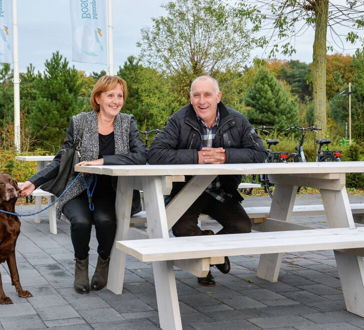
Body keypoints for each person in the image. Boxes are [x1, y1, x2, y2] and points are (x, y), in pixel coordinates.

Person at [20, 76, 146, 294]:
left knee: (106, 220)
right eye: (110, 95)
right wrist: (34, 181)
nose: (116, 101)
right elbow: (62, 159)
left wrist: (103, 161)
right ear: (98, 98)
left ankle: (103, 262)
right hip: (78, 188)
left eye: (120, 96)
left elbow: (141, 155)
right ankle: (81, 266)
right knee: (80, 222)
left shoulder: (127, 122)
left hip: (113, 190)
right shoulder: (80, 122)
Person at [148, 75, 267, 286]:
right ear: (190, 97)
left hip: (221, 190)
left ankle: (211, 256)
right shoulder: (179, 120)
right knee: (182, 229)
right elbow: (155, 153)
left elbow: (259, 153)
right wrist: (197, 157)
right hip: (187, 190)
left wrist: (226, 156)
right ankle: (210, 259)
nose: (202, 101)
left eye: (207, 94)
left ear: (218, 97)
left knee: (241, 226)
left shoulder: (237, 120)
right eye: (196, 95)